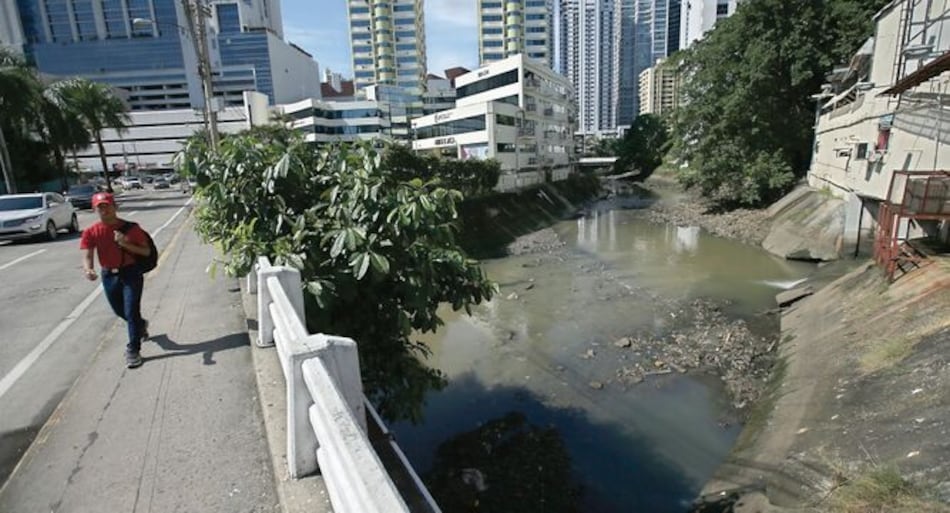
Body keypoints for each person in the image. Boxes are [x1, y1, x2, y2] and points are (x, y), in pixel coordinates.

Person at [81, 192, 151, 368]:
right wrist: (88, 269)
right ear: (94, 210)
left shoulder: (131, 228)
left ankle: (133, 349)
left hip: (131, 273)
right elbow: (88, 254)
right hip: (108, 275)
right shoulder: (91, 231)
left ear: (115, 207)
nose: (104, 211)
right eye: (100, 208)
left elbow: (146, 252)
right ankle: (141, 325)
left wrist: (124, 243)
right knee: (120, 311)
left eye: (107, 206)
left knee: (131, 311)